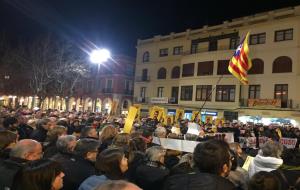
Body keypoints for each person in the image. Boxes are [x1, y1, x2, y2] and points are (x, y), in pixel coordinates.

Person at [164, 139, 235, 190]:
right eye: (230, 159)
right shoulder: (229, 187)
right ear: (224, 168)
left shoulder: (172, 182)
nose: (232, 161)